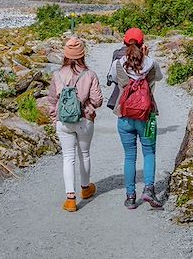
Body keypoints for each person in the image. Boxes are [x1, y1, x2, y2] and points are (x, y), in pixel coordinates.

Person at [47, 36, 103, 212]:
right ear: (82, 54)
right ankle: (85, 189)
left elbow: (51, 100)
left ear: (65, 55)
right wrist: (88, 106)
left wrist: (54, 118)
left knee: (68, 157)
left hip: (63, 121)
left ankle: (70, 199)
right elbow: (97, 100)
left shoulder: (57, 74)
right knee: (84, 154)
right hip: (84, 119)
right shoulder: (89, 74)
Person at [113, 27, 164, 210]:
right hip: (147, 115)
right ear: (143, 44)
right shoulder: (151, 63)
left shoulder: (118, 63)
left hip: (125, 115)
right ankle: (149, 189)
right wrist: (146, 57)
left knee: (129, 156)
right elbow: (159, 77)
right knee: (149, 152)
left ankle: (130, 196)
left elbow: (114, 79)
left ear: (124, 43)